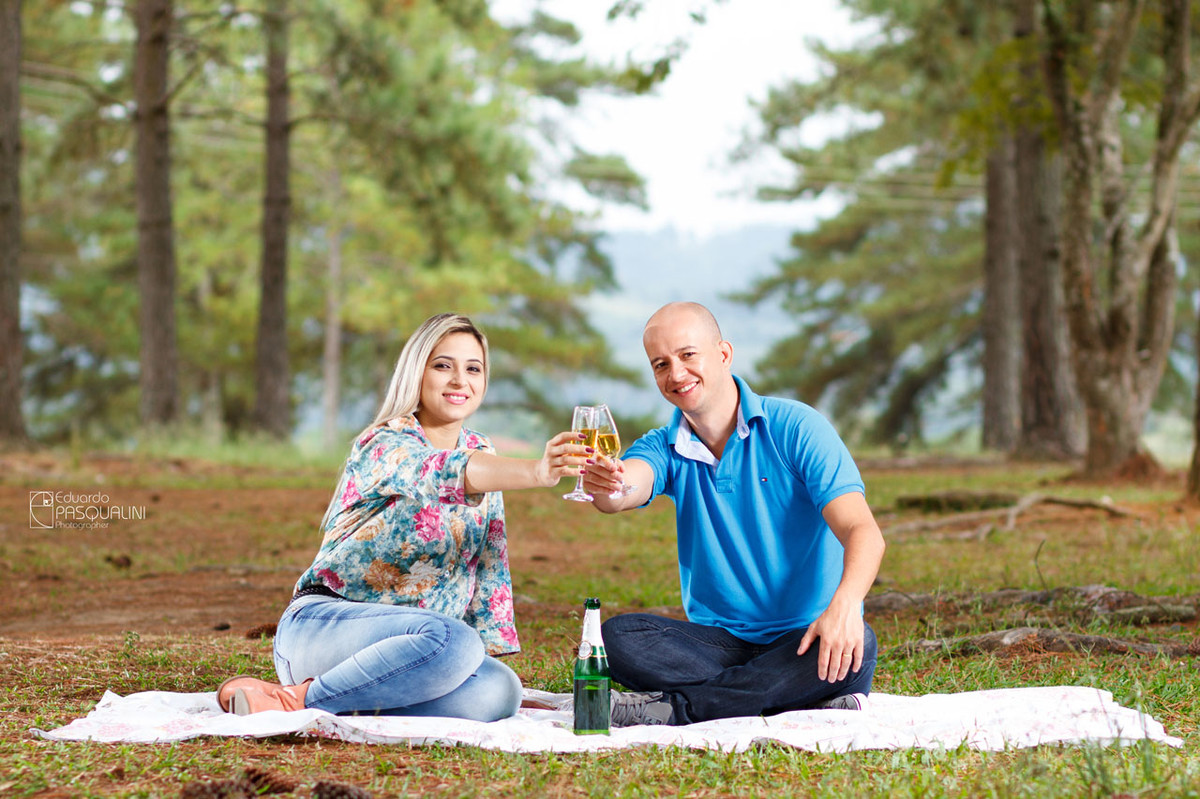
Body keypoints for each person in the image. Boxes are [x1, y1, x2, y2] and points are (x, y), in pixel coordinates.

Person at [216, 313, 589, 721]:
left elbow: (489, 560)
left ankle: (351, 697)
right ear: (417, 372)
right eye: (443, 365)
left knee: (500, 690)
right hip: (324, 629)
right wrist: (538, 471)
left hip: (418, 649)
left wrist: (475, 658)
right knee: (455, 642)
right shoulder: (385, 441)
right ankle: (296, 698)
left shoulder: (482, 449)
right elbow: (439, 471)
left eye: (473, 368)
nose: (459, 381)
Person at [581, 301, 886, 727]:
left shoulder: (796, 427)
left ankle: (679, 709)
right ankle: (794, 697)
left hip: (808, 637)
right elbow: (623, 489)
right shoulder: (663, 446)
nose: (676, 374)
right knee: (615, 639)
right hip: (718, 644)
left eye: (688, 355)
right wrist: (607, 484)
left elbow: (862, 530)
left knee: (860, 643)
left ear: (723, 354)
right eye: (661, 364)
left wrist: (846, 605)